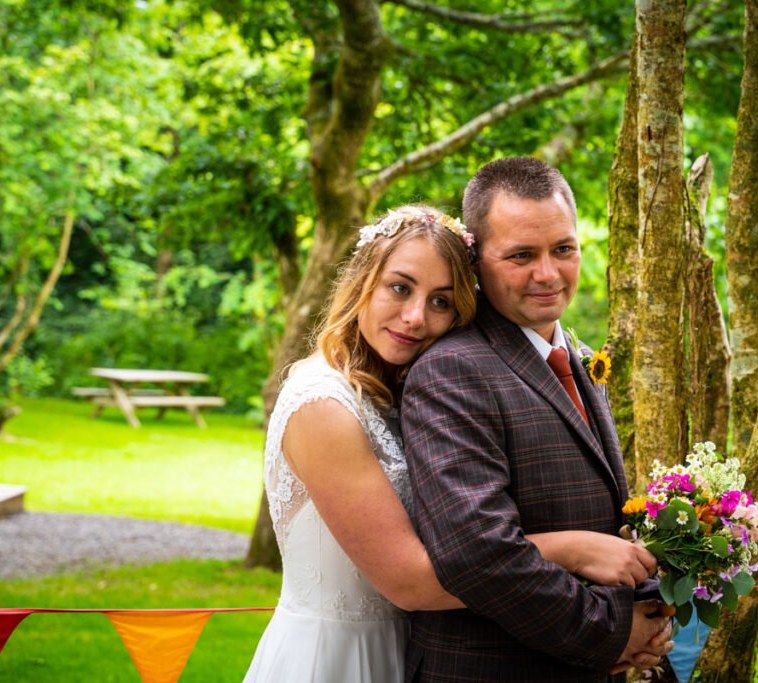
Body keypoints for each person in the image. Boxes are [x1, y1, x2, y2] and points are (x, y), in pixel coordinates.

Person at [243, 205, 663, 682]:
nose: (416, 317)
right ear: (363, 282)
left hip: (408, 652)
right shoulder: (322, 405)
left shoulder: (397, 390)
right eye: (400, 288)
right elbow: (410, 581)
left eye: (441, 301)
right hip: (338, 657)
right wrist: (570, 549)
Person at [401, 158, 675, 682]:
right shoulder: (452, 370)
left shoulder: (576, 354)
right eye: (522, 255)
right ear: (475, 260)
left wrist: (651, 608)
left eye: (563, 250)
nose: (548, 274)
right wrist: (613, 631)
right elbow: (477, 554)